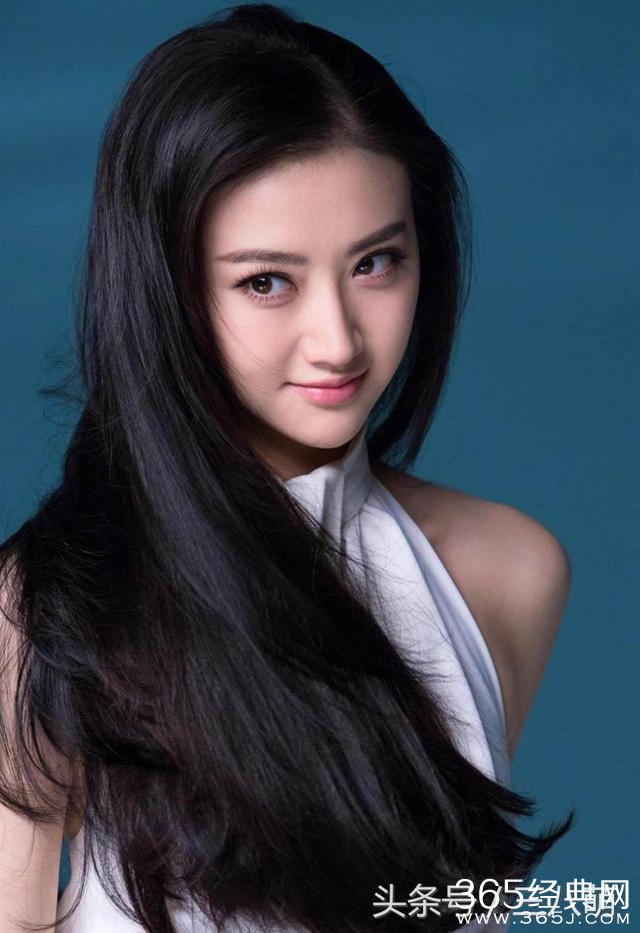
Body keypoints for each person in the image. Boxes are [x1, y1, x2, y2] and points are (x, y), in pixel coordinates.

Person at [0, 4, 575, 931]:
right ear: (168, 289)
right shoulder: (48, 609)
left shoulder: (507, 571)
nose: (337, 339)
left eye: (376, 263)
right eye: (266, 281)